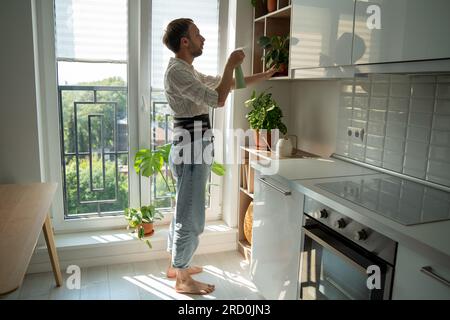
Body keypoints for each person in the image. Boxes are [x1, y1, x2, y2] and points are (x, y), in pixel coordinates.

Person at [163, 18, 277, 295]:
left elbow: (224, 85)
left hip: (193, 143)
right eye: (197, 34)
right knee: (190, 215)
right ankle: (182, 278)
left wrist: (266, 74)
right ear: (185, 41)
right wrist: (230, 64)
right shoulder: (178, 72)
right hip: (191, 145)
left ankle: (178, 266)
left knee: (185, 207)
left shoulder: (187, 70)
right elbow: (219, 99)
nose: (203, 38)